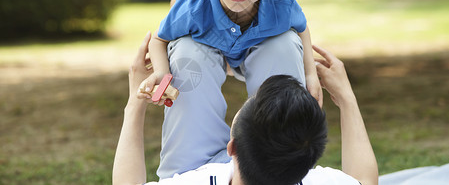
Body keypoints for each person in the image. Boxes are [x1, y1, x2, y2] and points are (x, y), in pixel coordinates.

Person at [140, 0, 323, 179]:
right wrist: (161, 73)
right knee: (188, 54)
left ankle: (278, 160)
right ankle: (187, 167)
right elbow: (159, 40)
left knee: (284, 45)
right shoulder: (192, 7)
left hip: (258, 48)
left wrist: (310, 74)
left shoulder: (281, 5)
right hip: (205, 45)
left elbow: (302, 29)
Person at [113, 32, 379, 185]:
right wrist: (346, 98)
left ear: (232, 148)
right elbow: (364, 180)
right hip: (275, 163)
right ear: (309, 166)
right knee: (282, 45)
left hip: (201, 166)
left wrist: (134, 103)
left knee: (188, 51)